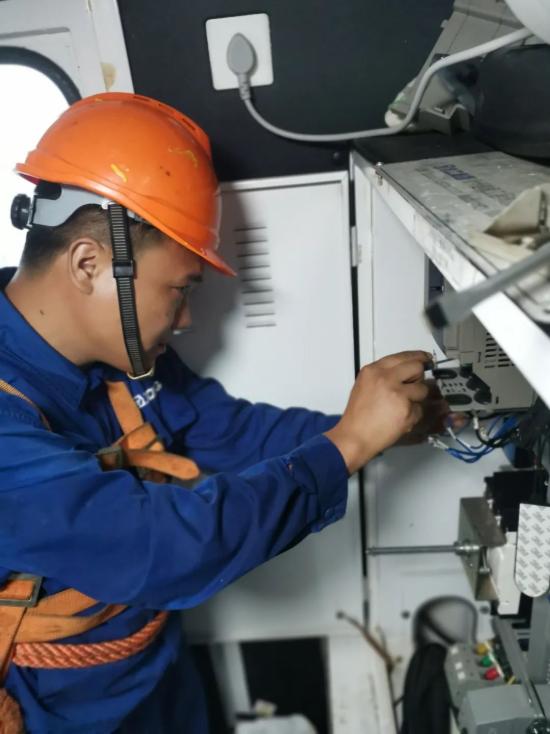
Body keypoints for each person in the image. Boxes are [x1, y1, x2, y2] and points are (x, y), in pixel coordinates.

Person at [0, 92, 447, 733]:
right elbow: (162, 543)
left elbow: (230, 431)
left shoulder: (117, 357)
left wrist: (386, 427)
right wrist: (347, 446)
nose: (186, 319)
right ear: (89, 264)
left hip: (161, 677)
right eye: (178, 290)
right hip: (68, 717)